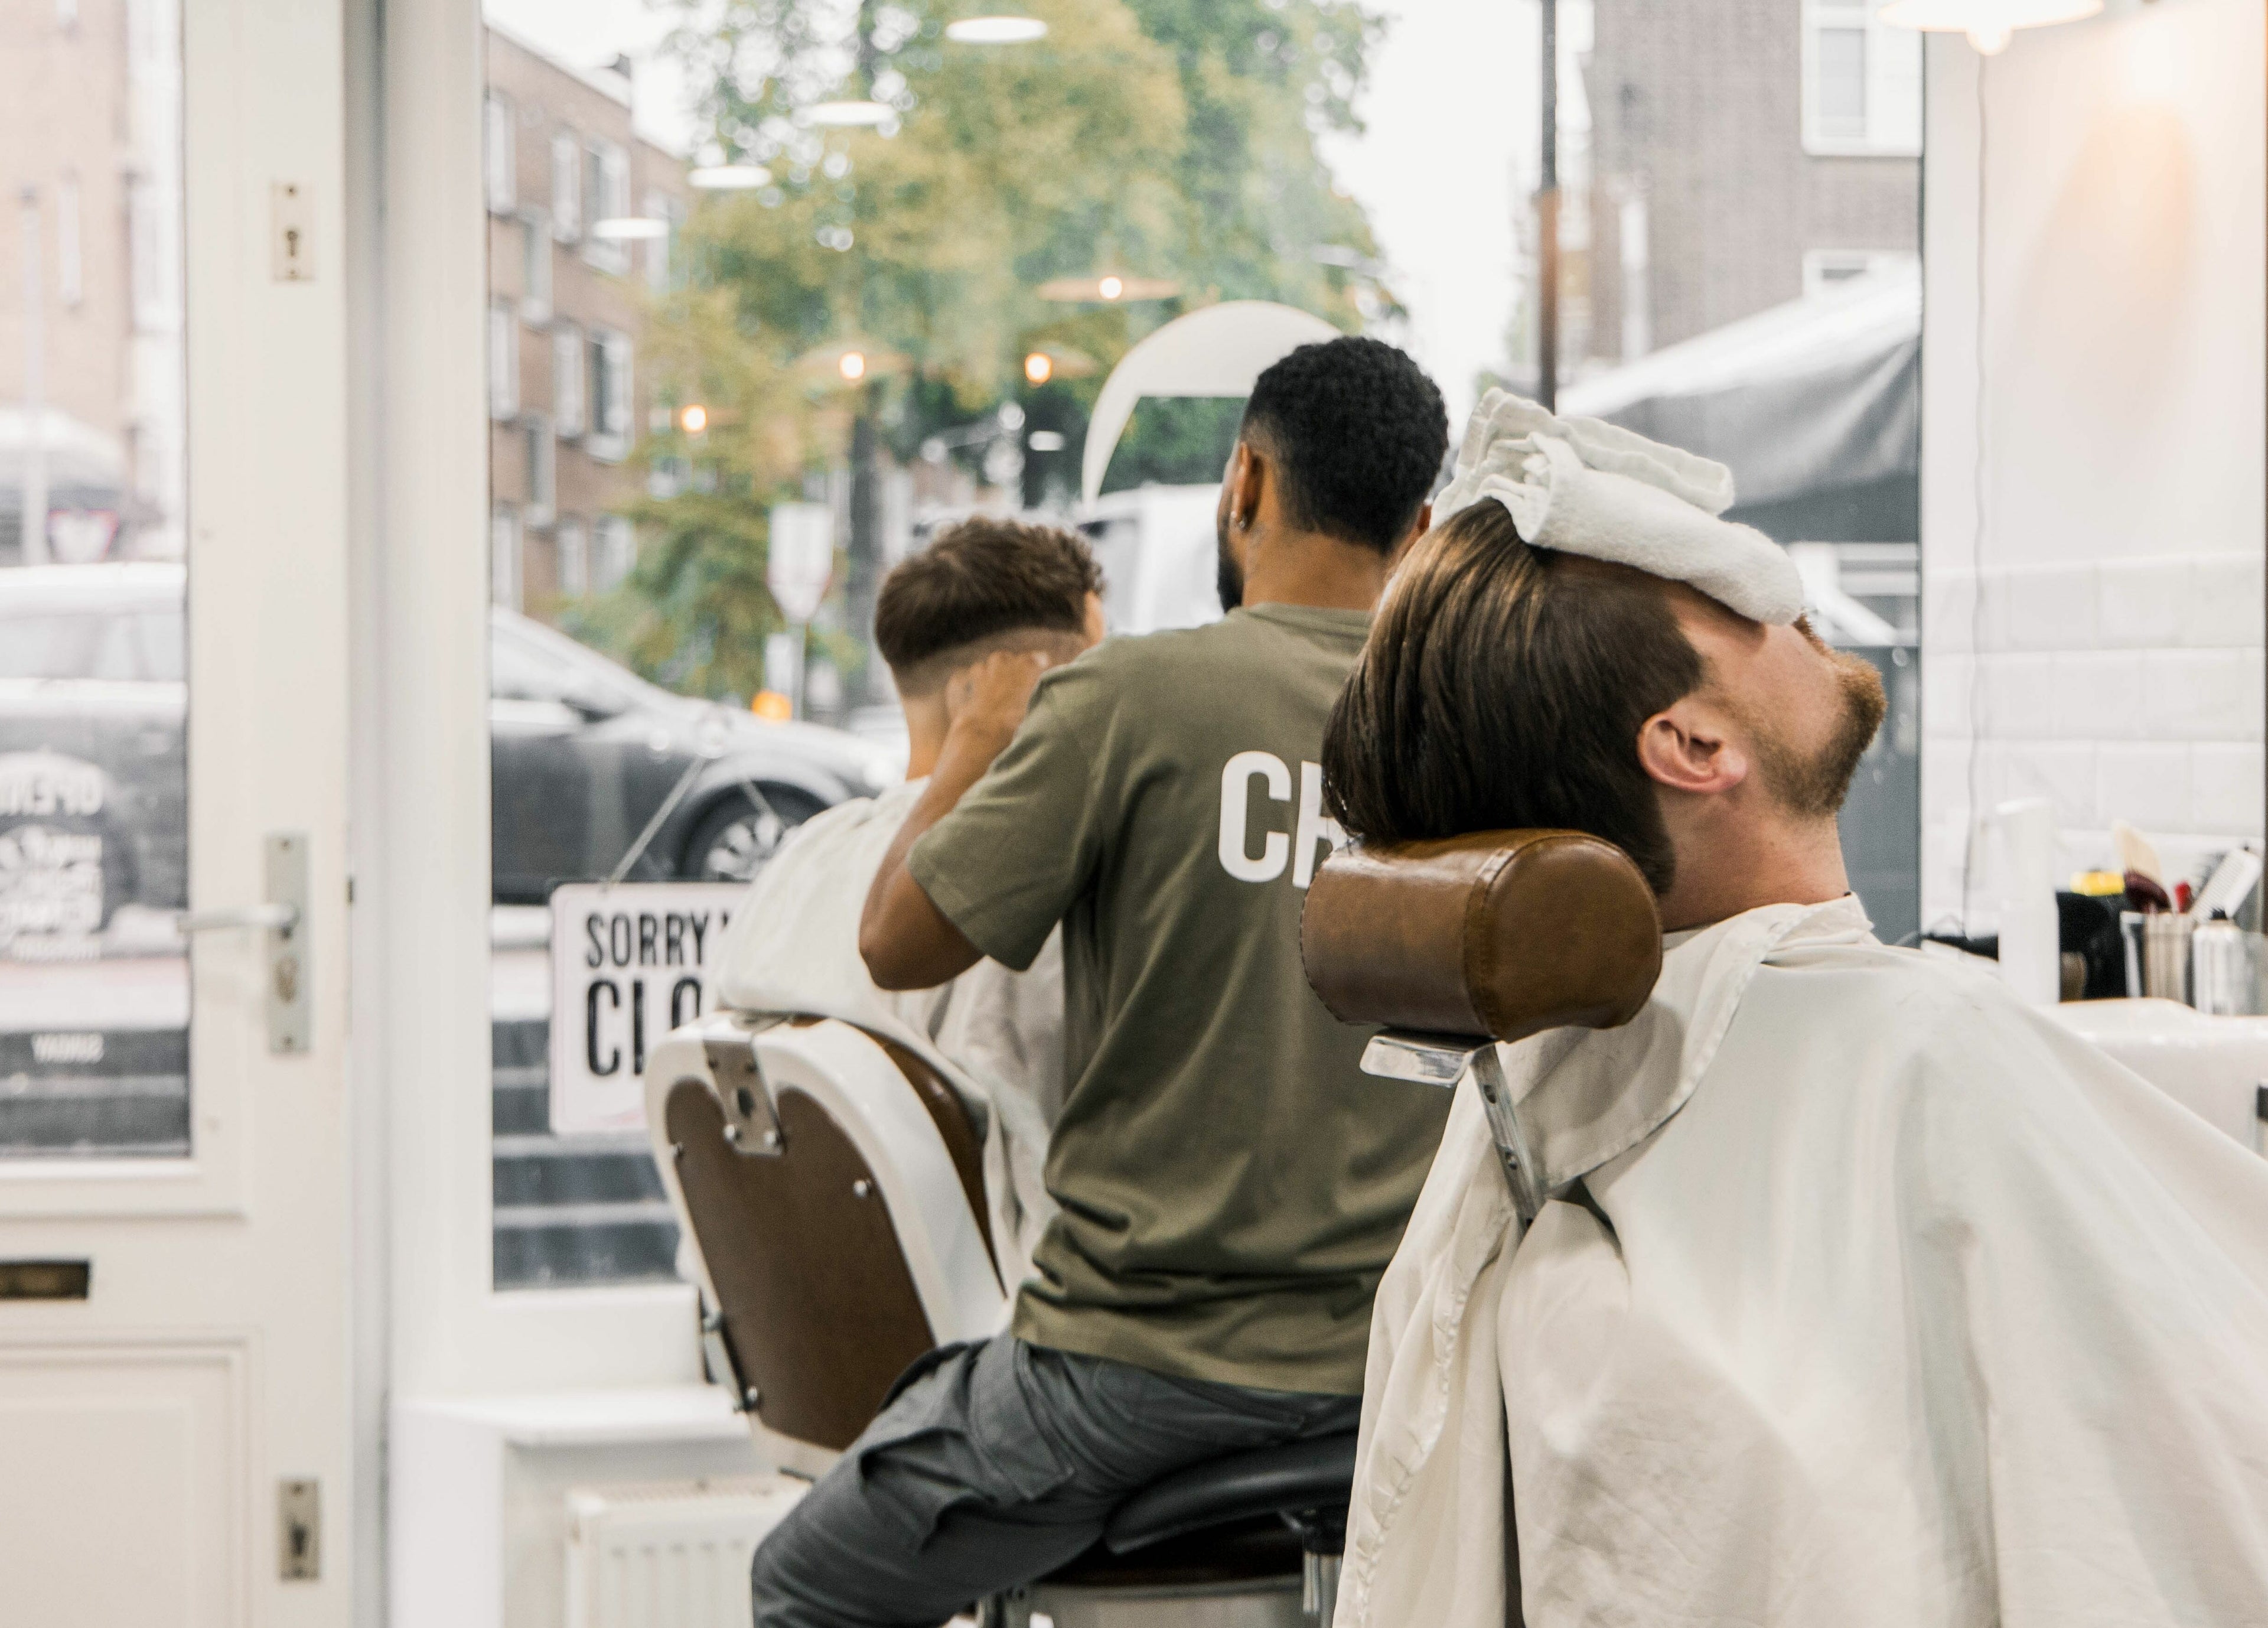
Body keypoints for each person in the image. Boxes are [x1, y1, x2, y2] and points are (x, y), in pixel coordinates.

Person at [1318, 392, 2268, 1627]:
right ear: (1694, 744)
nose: (1796, 614)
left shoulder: (1549, 1074)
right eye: (1744, 605)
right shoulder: (1928, 1056)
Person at [745, 336, 1455, 1626]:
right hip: (1402, 1371)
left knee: (801, 1583)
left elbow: (897, 943)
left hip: (1134, 1374)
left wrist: (977, 738)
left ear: (1242, 482)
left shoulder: (1133, 695)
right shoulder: (1472, 731)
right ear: (1420, 523)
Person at [712, 516, 1105, 1281]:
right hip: (997, 1346)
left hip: (825, 1354)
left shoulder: (800, 867)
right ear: (1005, 687)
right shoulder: (1023, 907)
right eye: (1093, 671)